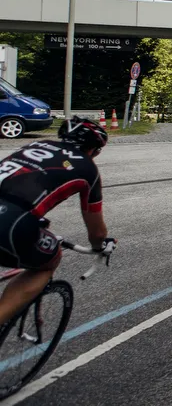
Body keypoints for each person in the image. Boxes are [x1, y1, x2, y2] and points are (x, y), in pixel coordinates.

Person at [0, 117, 115, 326]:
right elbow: (97, 232)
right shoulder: (88, 168)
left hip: (11, 213)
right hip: (10, 220)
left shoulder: (36, 145)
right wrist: (99, 247)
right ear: (93, 149)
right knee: (49, 260)